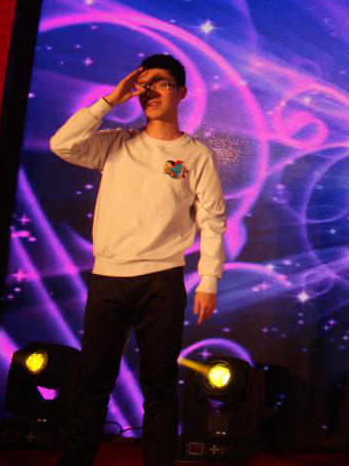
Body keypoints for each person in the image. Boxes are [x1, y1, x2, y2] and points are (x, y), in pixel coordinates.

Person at [50, 54, 227, 466]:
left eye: (161, 83)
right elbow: (62, 144)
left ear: (181, 92)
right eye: (144, 85)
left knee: (159, 383)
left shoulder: (196, 155)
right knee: (93, 380)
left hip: (162, 280)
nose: (150, 92)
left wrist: (209, 280)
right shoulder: (115, 143)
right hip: (109, 277)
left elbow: (212, 220)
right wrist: (110, 101)